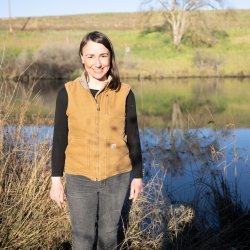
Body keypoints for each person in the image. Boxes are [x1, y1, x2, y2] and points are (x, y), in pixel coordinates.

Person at [50, 31, 143, 250]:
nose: (98, 63)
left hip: (117, 176)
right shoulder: (67, 92)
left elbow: (134, 137)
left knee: (109, 235)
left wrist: (137, 177)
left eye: (103, 55)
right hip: (79, 176)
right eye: (90, 56)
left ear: (111, 57)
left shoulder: (125, 92)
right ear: (82, 58)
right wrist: (56, 181)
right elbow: (59, 139)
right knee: (82, 237)